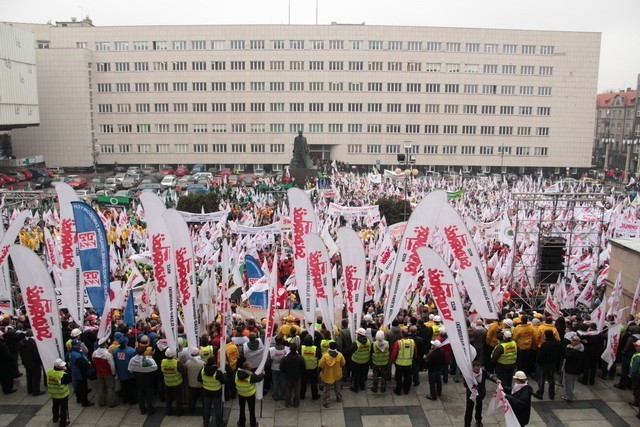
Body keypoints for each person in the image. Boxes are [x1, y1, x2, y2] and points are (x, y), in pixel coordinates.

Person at [464, 361, 496, 427]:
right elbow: (465, 384)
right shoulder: (468, 374)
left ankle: (478, 420)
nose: (478, 369)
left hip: (480, 394)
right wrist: (473, 386)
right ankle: (467, 424)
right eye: (477, 368)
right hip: (471, 394)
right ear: (472, 368)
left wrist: (496, 380)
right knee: (469, 410)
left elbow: (490, 376)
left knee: (479, 408)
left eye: (479, 367)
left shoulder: (483, 371)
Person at [128, 345, 157, 415]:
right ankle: (150, 409)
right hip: (147, 379)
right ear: (144, 352)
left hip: (138, 379)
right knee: (148, 394)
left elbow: (130, 369)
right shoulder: (148, 360)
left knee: (140, 394)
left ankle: (142, 410)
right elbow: (155, 367)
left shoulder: (132, 359)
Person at [534, 329, 563, 400]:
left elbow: (540, 355)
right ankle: (551, 394)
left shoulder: (545, 344)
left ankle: (540, 393)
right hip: (553, 363)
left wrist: (538, 361)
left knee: (542, 378)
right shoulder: (558, 343)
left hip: (544, 364)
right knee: (551, 378)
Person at [198, 356, 227, 427]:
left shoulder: (202, 370)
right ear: (214, 363)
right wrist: (225, 375)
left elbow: (199, 379)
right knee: (217, 409)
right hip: (216, 393)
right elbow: (224, 381)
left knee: (206, 408)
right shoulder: (218, 373)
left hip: (206, 392)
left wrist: (205, 383)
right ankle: (219, 424)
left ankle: (206, 422)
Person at [235, 361, 265, 427]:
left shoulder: (237, 374)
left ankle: (242, 423)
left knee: (242, 409)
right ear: (248, 369)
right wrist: (263, 373)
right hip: (250, 394)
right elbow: (259, 378)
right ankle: (253, 424)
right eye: (250, 367)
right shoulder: (251, 376)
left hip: (241, 393)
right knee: (251, 410)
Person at [68, 339, 95, 407]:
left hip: (75, 372)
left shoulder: (71, 352)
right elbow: (82, 365)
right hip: (80, 373)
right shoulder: (76, 355)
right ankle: (85, 402)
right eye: (78, 345)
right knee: (83, 387)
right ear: (74, 346)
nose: (80, 345)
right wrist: (88, 364)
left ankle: (79, 398)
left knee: (78, 386)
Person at [319, 341, 345, 407]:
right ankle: (339, 398)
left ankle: (326, 402)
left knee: (326, 390)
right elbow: (343, 363)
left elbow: (321, 365)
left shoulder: (325, 356)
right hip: (337, 374)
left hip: (327, 375)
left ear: (329, 347)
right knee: (337, 387)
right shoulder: (340, 355)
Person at [47, 358, 72, 427]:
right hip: (62, 394)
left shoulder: (49, 371)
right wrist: (67, 370)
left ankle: (55, 417)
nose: (63, 366)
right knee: (63, 408)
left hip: (53, 393)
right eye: (62, 366)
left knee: (55, 406)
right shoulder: (63, 374)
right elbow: (69, 380)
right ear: (58, 366)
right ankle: (63, 423)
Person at [92, 340, 118, 407]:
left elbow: (93, 361)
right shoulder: (108, 354)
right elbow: (112, 366)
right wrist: (113, 373)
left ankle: (101, 402)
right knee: (110, 388)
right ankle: (111, 403)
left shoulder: (94, 353)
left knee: (101, 387)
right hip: (108, 373)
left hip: (99, 373)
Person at [19, 329, 45, 396]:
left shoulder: (22, 342)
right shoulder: (33, 342)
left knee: (29, 376)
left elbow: (21, 353)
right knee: (36, 376)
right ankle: (36, 391)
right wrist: (40, 361)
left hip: (26, 362)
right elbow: (36, 354)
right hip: (34, 362)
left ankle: (30, 389)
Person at [112, 335, 136, 405]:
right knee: (131, 387)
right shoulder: (131, 351)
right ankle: (132, 400)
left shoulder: (115, 351)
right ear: (126, 342)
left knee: (124, 386)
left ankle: (125, 399)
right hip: (129, 372)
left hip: (121, 372)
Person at [279, 342, 305, 408]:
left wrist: (285, 372)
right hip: (297, 377)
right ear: (296, 349)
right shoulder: (300, 358)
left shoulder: (285, 358)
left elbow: (281, 368)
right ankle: (296, 403)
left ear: (290, 349)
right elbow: (303, 367)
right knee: (297, 391)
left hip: (288, 377)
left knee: (287, 390)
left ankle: (288, 403)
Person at [391, 328, 415, 395]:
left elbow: (394, 353)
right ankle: (406, 390)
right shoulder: (412, 341)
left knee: (398, 378)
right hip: (409, 363)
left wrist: (393, 360)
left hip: (399, 364)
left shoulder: (398, 342)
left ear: (401, 334)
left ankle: (398, 390)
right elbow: (415, 352)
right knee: (407, 378)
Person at [161, 348, 184, 416]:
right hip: (177, 383)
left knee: (168, 397)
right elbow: (182, 371)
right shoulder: (177, 362)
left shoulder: (162, 361)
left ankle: (169, 411)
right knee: (178, 398)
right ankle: (178, 412)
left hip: (167, 382)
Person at [562, 334, 584, 402]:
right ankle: (569, 394)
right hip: (575, 367)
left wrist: (567, 349)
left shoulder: (574, 351)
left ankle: (569, 397)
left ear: (578, 342)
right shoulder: (581, 348)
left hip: (570, 368)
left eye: (574, 340)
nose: (572, 341)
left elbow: (566, 356)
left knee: (568, 382)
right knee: (571, 382)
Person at [300, 333, 321, 400]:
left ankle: (302, 396)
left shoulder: (301, 348)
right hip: (313, 368)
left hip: (304, 368)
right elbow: (320, 356)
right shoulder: (315, 349)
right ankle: (314, 396)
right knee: (314, 383)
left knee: (303, 383)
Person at [185, 346, 206, 414]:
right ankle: (204, 410)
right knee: (203, 398)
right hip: (201, 384)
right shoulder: (202, 363)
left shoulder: (188, 362)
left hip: (192, 383)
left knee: (192, 398)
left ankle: (191, 410)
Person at [350, 328, 371, 392]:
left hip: (356, 361)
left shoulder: (356, 343)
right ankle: (362, 386)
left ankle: (356, 388)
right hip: (365, 361)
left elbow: (351, 350)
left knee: (356, 375)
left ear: (359, 335)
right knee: (363, 374)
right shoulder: (368, 341)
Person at [268, 336, 289, 401]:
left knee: (275, 382)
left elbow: (269, 360)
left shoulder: (271, 350)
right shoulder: (286, 349)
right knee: (283, 381)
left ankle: (276, 395)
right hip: (283, 368)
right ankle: (282, 395)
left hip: (274, 368)